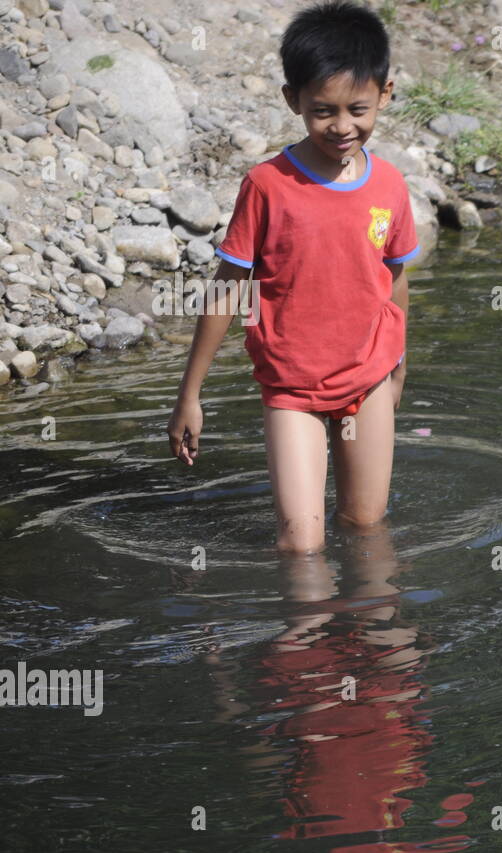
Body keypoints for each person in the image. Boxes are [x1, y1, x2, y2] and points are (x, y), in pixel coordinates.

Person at [166, 0, 420, 555]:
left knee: (366, 527)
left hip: (369, 376)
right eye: (322, 111)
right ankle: (305, 638)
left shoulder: (390, 187)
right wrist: (190, 394)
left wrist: (399, 367)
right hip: (293, 388)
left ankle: (372, 635)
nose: (342, 126)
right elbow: (229, 287)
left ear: (385, 93)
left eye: (358, 108)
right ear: (293, 101)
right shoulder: (267, 185)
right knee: (301, 543)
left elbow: (394, 279)